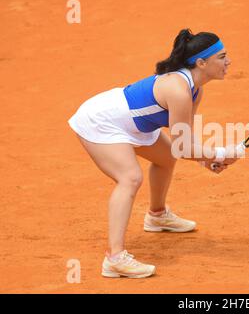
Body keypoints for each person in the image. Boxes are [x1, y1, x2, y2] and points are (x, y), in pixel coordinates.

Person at [68, 28, 240, 278]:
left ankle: (157, 216)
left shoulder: (195, 90)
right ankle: (115, 259)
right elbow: (184, 147)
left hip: (132, 124)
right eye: (222, 57)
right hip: (102, 121)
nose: (229, 61)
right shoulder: (179, 91)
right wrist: (221, 152)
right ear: (201, 62)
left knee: (166, 157)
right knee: (130, 178)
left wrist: (206, 158)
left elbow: (184, 141)